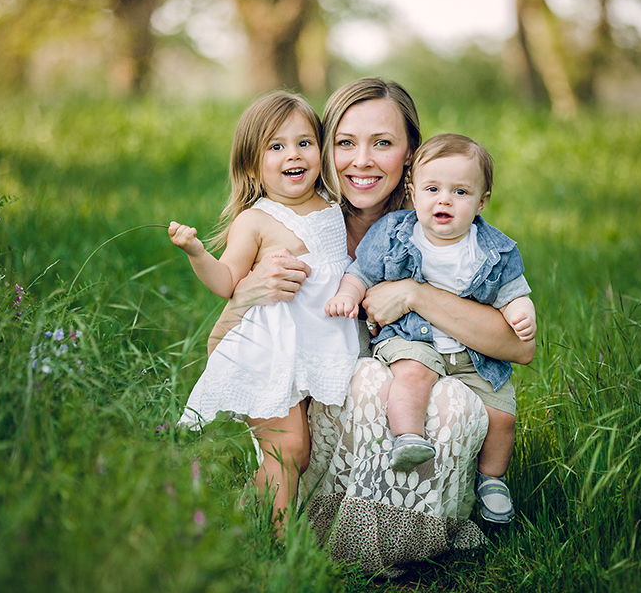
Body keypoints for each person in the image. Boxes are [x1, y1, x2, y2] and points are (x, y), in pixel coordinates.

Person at [206, 78, 535, 574]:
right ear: (324, 149)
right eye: (345, 143)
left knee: (448, 400)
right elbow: (218, 349)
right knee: (366, 382)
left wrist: (415, 293)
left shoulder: (440, 224)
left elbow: (520, 348)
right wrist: (250, 292)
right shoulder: (301, 226)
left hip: (418, 412)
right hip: (323, 429)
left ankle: (414, 546)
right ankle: (322, 537)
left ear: (410, 154)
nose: (361, 160)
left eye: (382, 143)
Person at [170, 91, 359, 530]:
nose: (292, 154)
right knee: (288, 449)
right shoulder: (256, 220)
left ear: (322, 150)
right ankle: (275, 545)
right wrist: (197, 252)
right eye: (276, 146)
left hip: (317, 349)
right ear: (253, 165)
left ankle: (247, 517)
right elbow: (227, 282)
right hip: (269, 354)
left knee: (306, 452)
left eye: (304, 142)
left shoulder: (335, 209)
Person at [325, 133, 537, 524]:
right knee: (413, 373)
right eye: (433, 189)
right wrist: (347, 294)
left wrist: (523, 310)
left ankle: (491, 480)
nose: (445, 200)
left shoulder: (494, 248)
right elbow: (361, 271)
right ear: (414, 191)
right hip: (412, 339)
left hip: (472, 357)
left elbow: (514, 292)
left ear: (481, 201)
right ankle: (409, 437)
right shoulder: (396, 233)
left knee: (503, 415)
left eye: (460, 192)